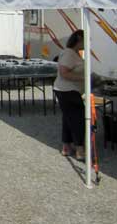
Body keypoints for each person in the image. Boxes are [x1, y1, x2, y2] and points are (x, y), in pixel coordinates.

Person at [54, 30, 86, 161]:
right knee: (79, 118)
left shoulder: (73, 53)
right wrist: (83, 78)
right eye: (86, 39)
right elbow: (64, 73)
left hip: (65, 90)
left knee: (68, 118)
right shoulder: (69, 53)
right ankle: (79, 149)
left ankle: (66, 147)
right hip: (67, 91)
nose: (88, 42)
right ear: (79, 39)